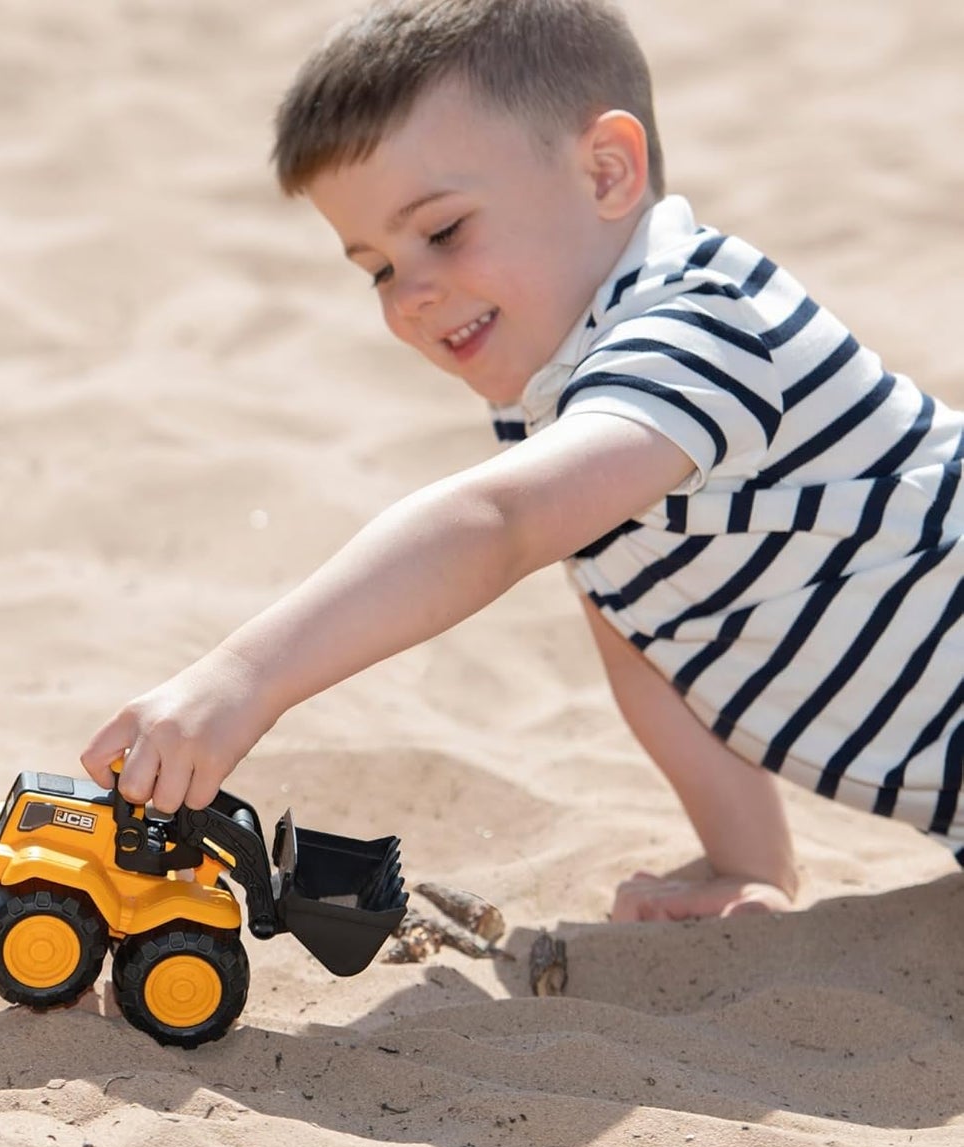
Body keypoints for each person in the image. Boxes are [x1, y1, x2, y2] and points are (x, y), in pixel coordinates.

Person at [81, 0, 964, 922]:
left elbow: (496, 526)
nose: (411, 295)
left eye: (443, 231)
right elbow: (641, 628)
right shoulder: (558, 388)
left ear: (606, 170)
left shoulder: (701, 328)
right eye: (376, 268)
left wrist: (242, 681)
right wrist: (746, 866)